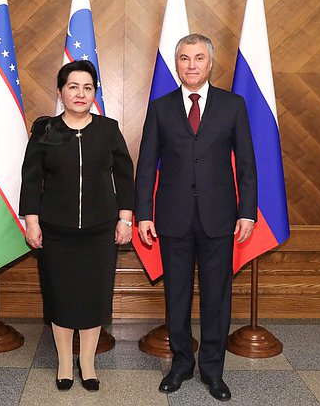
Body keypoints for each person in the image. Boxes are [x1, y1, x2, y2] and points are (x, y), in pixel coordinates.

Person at [135, 34, 257, 402]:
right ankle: (181, 364)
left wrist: (247, 211)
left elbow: (248, 165)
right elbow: (145, 166)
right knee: (177, 296)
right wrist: (143, 213)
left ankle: (213, 371)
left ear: (210, 64)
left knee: (217, 297)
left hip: (220, 218)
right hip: (172, 218)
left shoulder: (233, 105)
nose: (191, 64)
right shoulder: (160, 108)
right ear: (176, 64)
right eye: (184, 58)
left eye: (198, 58)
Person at [20, 60, 134, 392]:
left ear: (94, 92)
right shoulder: (46, 131)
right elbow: (31, 180)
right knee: (61, 297)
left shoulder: (108, 129)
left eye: (87, 87)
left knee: (94, 297)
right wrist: (32, 222)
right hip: (56, 230)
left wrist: (125, 219)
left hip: (100, 230)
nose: (80, 93)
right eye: (73, 87)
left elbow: (125, 178)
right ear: (61, 92)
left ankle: (88, 363)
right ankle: (65, 363)